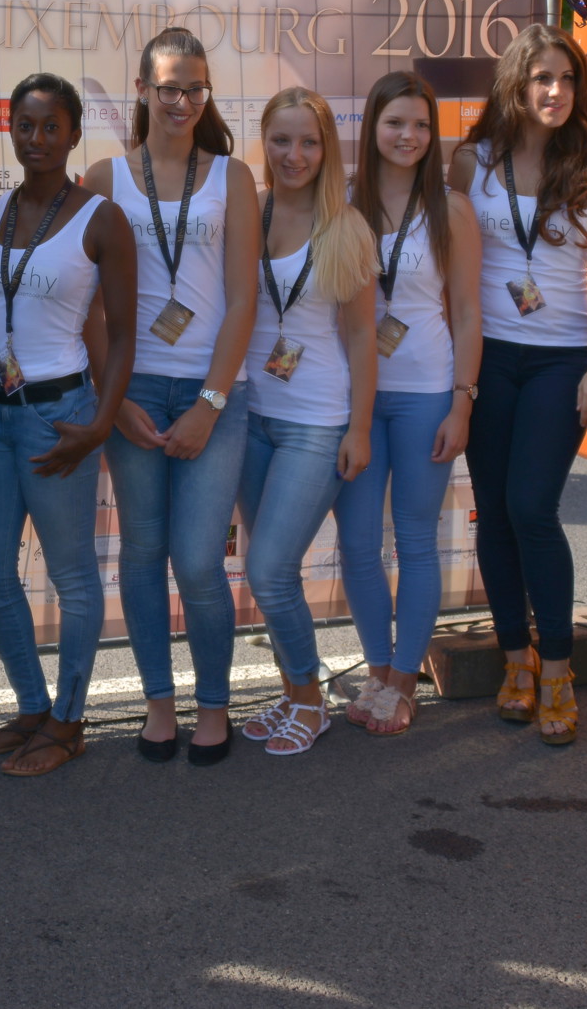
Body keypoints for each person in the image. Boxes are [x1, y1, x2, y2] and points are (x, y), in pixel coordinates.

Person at [450, 24, 587, 748]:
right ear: (515, 86)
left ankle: (557, 666)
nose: (557, 91)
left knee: (532, 505)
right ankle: (515, 660)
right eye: (542, 78)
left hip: (563, 358)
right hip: (489, 355)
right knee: (494, 512)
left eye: (568, 78)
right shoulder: (471, 161)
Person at [85, 27, 259, 765]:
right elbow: (89, 304)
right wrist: (113, 399)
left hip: (214, 393)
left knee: (196, 559)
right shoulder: (104, 177)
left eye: (195, 89)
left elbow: (244, 298)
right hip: (135, 389)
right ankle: (159, 703)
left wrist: (209, 403)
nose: (182, 101)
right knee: (142, 552)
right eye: (168, 88)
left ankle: (214, 704)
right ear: (141, 89)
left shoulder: (232, 177)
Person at [0, 73, 136, 777]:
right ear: (10, 129)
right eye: (25, 126)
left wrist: (100, 424)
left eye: (51, 127)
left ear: (73, 134)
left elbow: (123, 334)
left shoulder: (102, 219)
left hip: (61, 416)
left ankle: (69, 720)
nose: (37, 139)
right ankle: (33, 708)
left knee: (71, 575)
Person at [334, 72, 482, 737]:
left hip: (426, 393)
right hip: (354, 398)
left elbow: (469, 313)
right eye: (395, 122)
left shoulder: (451, 209)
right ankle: (376, 671)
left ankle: (402, 680)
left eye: (421, 124)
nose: (409, 135)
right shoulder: (342, 204)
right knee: (358, 544)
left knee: (416, 541)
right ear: (372, 127)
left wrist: (462, 404)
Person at [236, 88, 379, 757]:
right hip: (250, 416)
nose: (294, 155)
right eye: (281, 140)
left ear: (327, 149)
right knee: (268, 571)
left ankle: (311, 700)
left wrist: (359, 428)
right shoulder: (247, 212)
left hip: (316, 422)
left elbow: (362, 338)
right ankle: (293, 693)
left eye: (309, 142)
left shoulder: (345, 228)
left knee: (270, 568)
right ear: (263, 142)